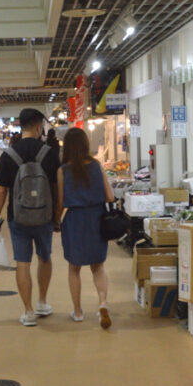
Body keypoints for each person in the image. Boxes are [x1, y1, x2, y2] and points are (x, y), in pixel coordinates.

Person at [0, 108, 61, 326]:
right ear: (39, 127)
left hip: (18, 217)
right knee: (45, 257)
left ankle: (28, 312)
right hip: (45, 216)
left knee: (22, 262)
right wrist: (57, 217)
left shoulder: (9, 155)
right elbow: (58, 189)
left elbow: (1, 190)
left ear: (21, 126)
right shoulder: (49, 153)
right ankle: (42, 302)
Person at [56, 127, 115, 328]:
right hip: (96, 218)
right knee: (98, 266)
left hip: (74, 221)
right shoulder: (97, 166)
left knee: (74, 268)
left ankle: (78, 311)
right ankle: (103, 302)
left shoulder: (63, 171)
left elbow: (61, 202)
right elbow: (110, 196)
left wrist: (56, 222)